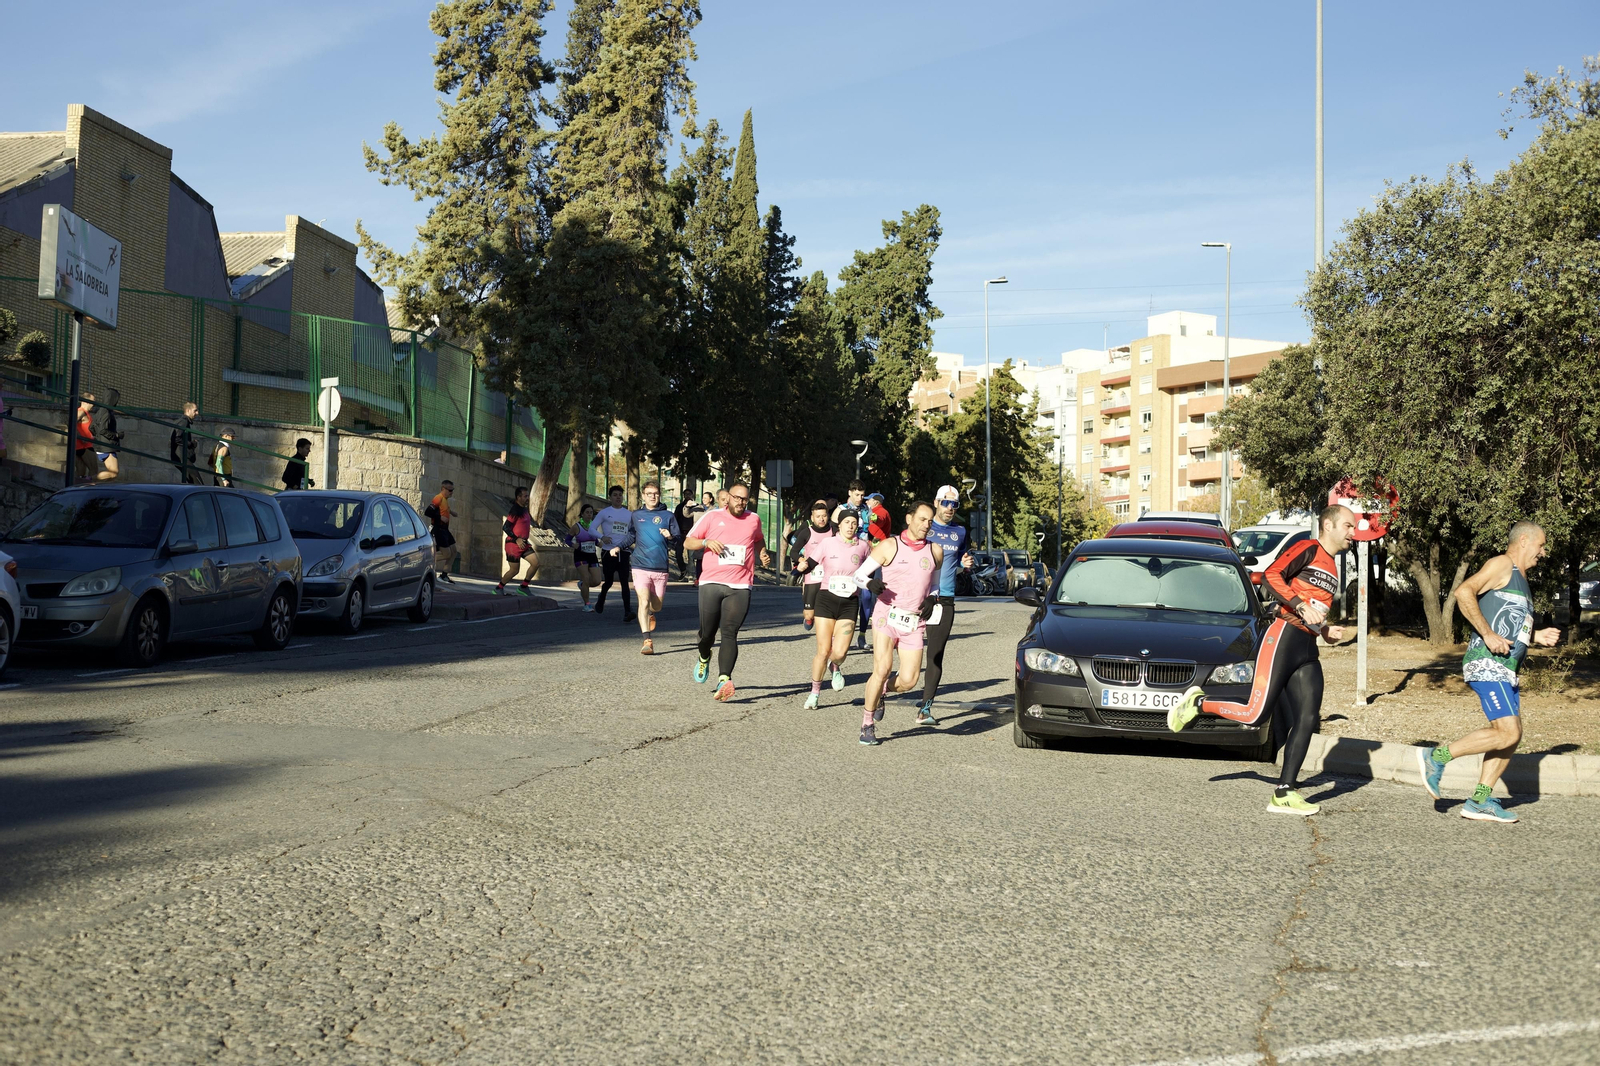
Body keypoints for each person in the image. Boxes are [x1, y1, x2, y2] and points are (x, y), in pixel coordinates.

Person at [1168, 504, 1355, 815]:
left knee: (1308, 718)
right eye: (1348, 525)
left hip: (1307, 646)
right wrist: (1299, 605)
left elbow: (1313, 610)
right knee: (1254, 714)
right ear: (1328, 525)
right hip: (1282, 636)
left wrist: (1324, 630)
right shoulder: (1308, 548)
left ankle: (1284, 791)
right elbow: (1271, 575)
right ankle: (1199, 703)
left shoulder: (1333, 567)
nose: (1353, 532)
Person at [1417, 522, 1561, 823]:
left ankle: (1480, 801)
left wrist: (1536, 636)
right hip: (1487, 663)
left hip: (1507, 669)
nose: (1543, 552)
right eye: (1541, 545)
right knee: (1509, 731)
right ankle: (1436, 757)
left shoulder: (1521, 579)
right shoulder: (1502, 565)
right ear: (1524, 540)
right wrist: (1487, 634)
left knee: (1510, 738)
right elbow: (1463, 592)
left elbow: (1509, 621)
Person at [853, 501, 945, 745]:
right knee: (882, 669)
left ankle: (882, 690)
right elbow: (858, 575)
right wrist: (870, 583)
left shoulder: (935, 551)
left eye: (930, 521)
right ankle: (867, 724)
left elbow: (935, 584)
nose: (926, 525)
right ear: (909, 518)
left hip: (914, 621)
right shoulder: (889, 546)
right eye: (922, 519)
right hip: (887, 616)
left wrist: (933, 597)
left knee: (909, 680)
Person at [684, 482, 772, 701]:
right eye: (737, 498)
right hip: (711, 582)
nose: (740, 502)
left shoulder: (754, 519)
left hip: (740, 585)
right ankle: (704, 655)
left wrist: (762, 553)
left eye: (744, 499)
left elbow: (758, 539)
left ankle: (724, 679)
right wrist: (706, 542)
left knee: (730, 632)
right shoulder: (712, 517)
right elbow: (688, 542)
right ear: (728, 497)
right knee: (707, 634)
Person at [795, 510, 871, 709]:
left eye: (854, 523)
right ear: (840, 524)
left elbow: (871, 571)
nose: (850, 526)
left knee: (840, 652)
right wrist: (801, 567)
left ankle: (834, 665)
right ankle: (814, 693)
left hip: (849, 602)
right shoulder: (828, 543)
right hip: (826, 600)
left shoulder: (863, 546)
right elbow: (810, 564)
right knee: (823, 650)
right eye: (847, 522)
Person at [918, 485, 976, 723]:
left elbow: (960, 560)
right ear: (936, 503)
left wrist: (965, 564)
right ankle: (884, 690)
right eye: (946, 503)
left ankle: (925, 709)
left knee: (935, 654)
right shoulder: (924, 527)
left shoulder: (960, 531)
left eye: (954, 504)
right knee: (908, 654)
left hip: (945, 599)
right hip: (917, 597)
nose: (950, 508)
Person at [629, 481, 680, 654]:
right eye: (649, 493)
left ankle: (652, 612)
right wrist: (616, 547)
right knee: (643, 601)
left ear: (659, 495)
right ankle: (647, 640)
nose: (652, 496)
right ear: (643, 495)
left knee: (656, 606)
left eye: (656, 493)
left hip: (660, 568)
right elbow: (631, 535)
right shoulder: (636, 515)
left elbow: (678, 540)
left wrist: (670, 536)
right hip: (640, 565)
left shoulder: (668, 516)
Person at [789, 500, 835, 630]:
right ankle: (809, 619)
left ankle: (829, 634)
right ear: (812, 518)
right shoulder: (806, 532)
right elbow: (793, 552)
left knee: (829, 612)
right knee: (809, 614)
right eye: (818, 516)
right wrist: (801, 560)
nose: (821, 519)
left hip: (830, 577)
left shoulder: (834, 531)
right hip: (812, 576)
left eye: (824, 516)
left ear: (828, 516)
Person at [592, 485, 636, 619]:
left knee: (624, 581)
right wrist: (602, 537)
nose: (618, 497)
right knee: (609, 581)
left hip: (623, 552)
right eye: (615, 495)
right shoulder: (604, 513)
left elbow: (633, 532)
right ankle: (601, 598)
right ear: (610, 497)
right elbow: (591, 529)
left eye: (620, 495)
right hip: (608, 551)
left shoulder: (629, 514)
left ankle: (627, 611)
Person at [494, 486, 534, 596]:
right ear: (518, 497)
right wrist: (517, 539)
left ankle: (523, 587)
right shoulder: (515, 510)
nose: (527, 498)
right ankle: (498, 588)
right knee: (514, 570)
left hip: (524, 544)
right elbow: (506, 527)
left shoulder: (524, 509)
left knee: (536, 563)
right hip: (513, 545)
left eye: (528, 496)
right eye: (525, 496)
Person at [566, 503, 603, 611]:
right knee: (586, 578)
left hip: (592, 555)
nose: (589, 514)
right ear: (582, 514)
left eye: (591, 512)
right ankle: (587, 604)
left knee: (597, 581)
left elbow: (594, 540)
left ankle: (582, 585)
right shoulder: (576, 527)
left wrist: (599, 543)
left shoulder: (593, 527)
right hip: (580, 555)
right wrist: (573, 545)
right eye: (587, 512)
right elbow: (567, 539)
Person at [424, 480, 458, 582]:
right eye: (450, 490)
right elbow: (428, 512)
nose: (452, 492)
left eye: (452, 490)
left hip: (445, 530)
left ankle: (444, 575)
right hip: (438, 529)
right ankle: (425, 560)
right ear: (443, 489)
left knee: (454, 552)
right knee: (447, 554)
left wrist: (451, 512)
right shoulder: (438, 498)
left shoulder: (445, 500)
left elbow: (444, 509)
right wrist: (440, 517)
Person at [88, 389, 123, 481]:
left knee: (111, 476)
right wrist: (116, 435)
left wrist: (98, 438)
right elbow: (103, 430)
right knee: (113, 473)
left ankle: (93, 483)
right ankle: (88, 479)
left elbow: (91, 427)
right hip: (106, 446)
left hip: (104, 445)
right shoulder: (106, 412)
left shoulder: (101, 411)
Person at [170, 402, 201, 484]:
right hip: (182, 457)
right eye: (195, 410)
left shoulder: (183, 421)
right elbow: (177, 438)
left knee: (192, 482)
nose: (197, 413)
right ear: (188, 410)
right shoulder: (183, 421)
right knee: (198, 483)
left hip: (181, 457)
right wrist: (190, 444)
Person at [72, 397, 98, 483]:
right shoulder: (81, 411)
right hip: (84, 446)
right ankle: (90, 489)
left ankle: (75, 488)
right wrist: (80, 437)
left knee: (80, 472)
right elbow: (71, 423)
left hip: (80, 446)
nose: (93, 405)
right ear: (85, 402)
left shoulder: (85, 412)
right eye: (92, 402)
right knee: (94, 470)